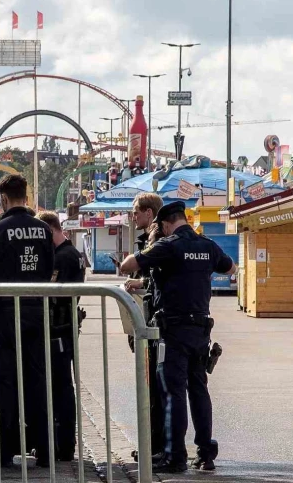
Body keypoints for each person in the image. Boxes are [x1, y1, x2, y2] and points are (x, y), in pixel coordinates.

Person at [120, 201, 236, 473]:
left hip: (172, 331)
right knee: (198, 390)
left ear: (164, 224)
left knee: (172, 393)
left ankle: (175, 456)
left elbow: (128, 265)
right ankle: (206, 453)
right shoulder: (207, 246)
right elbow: (230, 269)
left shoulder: (168, 246)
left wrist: (152, 255)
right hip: (200, 331)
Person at [0, 174, 55, 467]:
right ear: (26, 195)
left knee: (2, 382)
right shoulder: (43, 229)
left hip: (4, 315)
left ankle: (0, 452)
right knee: (37, 382)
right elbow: (48, 269)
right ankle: (45, 451)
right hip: (35, 312)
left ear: (4, 199)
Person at [35, 210, 85, 461]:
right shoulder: (68, 253)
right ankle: (58, 442)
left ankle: (63, 445)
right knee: (59, 387)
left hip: (57, 331)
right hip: (61, 330)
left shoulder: (63, 257)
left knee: (60, 388)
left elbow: (52, 295)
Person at [123, 192, 165, 457]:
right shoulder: (149, 240)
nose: (133, 216)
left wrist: (141, 282)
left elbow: (160, 282)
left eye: (136, 211)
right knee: (151, 389)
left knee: (155, 391)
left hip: (154, 325)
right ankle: (153, 444)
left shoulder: (159, 243)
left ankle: (154, 447)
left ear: (149, 213)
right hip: (147, 322)